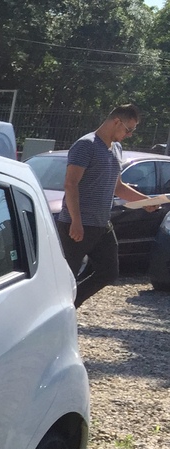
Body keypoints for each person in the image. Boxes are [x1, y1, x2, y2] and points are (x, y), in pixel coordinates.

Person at [57, 103, 162, 307]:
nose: (130, 134)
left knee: (109, 272)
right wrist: (76, 221)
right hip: (77, 225)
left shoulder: (117, 148)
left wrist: (145, 202)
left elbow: (118, 187)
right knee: (65, 278)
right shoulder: (85, 145)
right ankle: (57, 314)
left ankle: (69, 306)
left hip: (102, 224)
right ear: (116, 122)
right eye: (129, 129)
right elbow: (70, 184)